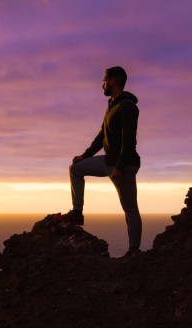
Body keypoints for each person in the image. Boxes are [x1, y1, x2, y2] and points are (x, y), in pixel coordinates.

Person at [54, 66, 142, 257]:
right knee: (75, 168)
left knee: (130, 209)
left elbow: (129, 141)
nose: (102, 84)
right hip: (109, 161)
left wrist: (120, 167)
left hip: (124, 164)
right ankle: (77, 214)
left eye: (104, 80)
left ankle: (134, 251)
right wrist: (85, 156)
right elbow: (102, 135)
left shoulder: (127, 107)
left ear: (114, 82)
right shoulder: (112, 105)